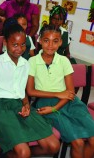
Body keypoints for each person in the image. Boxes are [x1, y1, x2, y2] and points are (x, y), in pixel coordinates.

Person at [0, 24, 60, 157]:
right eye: (15, 44)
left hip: (18, 105)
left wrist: (26, 104)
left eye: (23, 44)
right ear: (6, 43)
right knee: (24, 152)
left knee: (54, 146)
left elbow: (22, 91)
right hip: (0, 107)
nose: (19, 49)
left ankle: (15, 155)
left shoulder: (25, 63)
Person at [27, 24, 94, 158]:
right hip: (45, 103)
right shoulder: (32, 61)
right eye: (46, 40)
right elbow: (30, 91)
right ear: (39, 40)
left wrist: (56, 106)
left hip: (69, 102)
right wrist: (56, 95)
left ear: (61, 42)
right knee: (78, 142)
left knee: (93, 139)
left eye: (55, 41)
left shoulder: (64, 61)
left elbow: (70, 92)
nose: (50, 45)